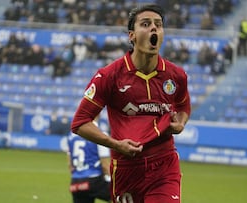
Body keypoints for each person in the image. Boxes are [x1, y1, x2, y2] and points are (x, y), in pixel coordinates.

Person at [71, 4, 191, 203]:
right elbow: (80, 122)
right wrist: (115, 144)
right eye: (146, 24)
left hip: (164, 164)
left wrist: (181, 123)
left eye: (158, 25)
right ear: (132, 35)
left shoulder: (176, 76)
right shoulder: (109, 76)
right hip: (126, 168)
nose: (153, 28)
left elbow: (183, 105)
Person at [67, 115, 111, 203]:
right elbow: (105, 165)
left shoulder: (71, 136)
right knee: (119, 196)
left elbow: (70, 165)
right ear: (98, 114)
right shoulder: (100, 134)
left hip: (76, 183)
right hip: (94, 180)